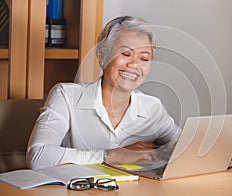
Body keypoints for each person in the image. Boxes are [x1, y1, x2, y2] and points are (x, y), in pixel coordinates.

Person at [26, 16, 181, 170]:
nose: (134, 64)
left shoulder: (152, 108)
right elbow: (38, 157)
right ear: (102, 56)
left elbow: (185, 147)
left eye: (144, 58)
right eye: (126, 54)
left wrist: (159, 153)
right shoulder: (66, 96)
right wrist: (111, 155)